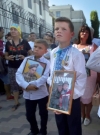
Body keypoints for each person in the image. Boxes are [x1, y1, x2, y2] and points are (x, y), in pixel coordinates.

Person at [47, 17, 87, 135]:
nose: (59, 31)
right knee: (61, 126)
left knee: (73, 127)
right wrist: (52, 90)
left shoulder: (76, 54)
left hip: (71, 99)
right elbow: (51, 73)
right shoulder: (53, 52)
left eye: (63, 29)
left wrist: (69, 98)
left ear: (72, 34)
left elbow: (81, 78)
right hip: (56, 96)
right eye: (56, 29)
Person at [16, 39, 50, 135]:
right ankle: (34, 130)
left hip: (41, 94)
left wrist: (33, 85)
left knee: (43, 114)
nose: (36, 49)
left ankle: (43, 131)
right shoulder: (27, 59)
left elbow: (45, 77)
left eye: (40, 48)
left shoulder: (47, 62)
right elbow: (19, 73)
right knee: (29, 115)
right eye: (35, 46)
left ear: (45, 51)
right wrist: (26, 85)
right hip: (28, 93)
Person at [5, 24, 33, 111]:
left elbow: (31, 54)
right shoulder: (8, 43)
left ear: (19, 31)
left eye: (15, 29)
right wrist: (8, 57)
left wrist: (25, 57)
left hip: (24, 67)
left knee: (25, 84)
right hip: (12, 67)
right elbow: (5, 55)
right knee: (14, 85)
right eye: (11, 29)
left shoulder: (24, 42)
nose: (12, 31)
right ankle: (16, 102)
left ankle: (29, 101)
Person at [74, 25, 97, 126]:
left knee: (89, 96)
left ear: (90, 34)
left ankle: (87, 115)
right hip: (77, 75)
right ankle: (81, 114)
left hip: (91, 75)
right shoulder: (74, 46)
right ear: (79, 33)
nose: (84, 33)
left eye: (87, 32)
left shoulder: (93, 46)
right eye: (82, 31)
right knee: (79, 95)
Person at [0, 27, 14, 101]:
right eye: (2, 32)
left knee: (7, 80)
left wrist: (5, 56)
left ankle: (8, 95)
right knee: (6, 80)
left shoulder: (2, 42)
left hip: (2, 64)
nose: (3, 34)